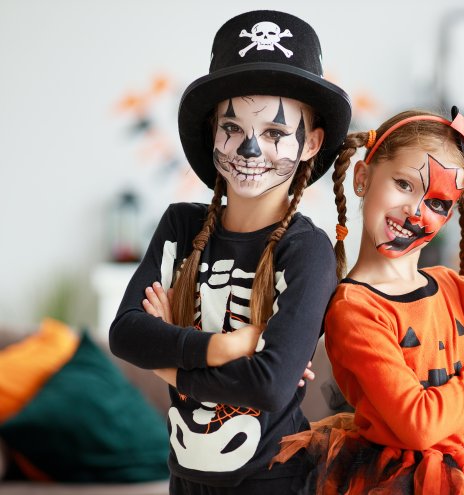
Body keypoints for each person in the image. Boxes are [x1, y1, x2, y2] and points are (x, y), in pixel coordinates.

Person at [272, 107, 464, 494]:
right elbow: (419, 425)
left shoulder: (452, 286)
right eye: (403, 184)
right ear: (362, 176)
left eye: (437, 203)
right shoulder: (354, 308)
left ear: (449, 216)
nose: (415, 211)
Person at [108, 10, 351, 494]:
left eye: (277, 133)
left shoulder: (307, 250)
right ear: (212, 132)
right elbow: (125, 335)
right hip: (184, 479)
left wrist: (167, 360)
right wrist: (226, 346)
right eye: (233, 127)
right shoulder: (182, 225)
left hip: (275, 482)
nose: (251, 150)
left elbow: (269, 385)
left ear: (312, 143)